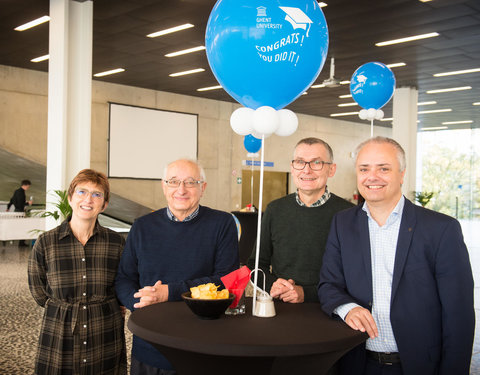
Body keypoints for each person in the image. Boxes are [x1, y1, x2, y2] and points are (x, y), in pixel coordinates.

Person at [318, 136, 474, 375]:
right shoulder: (342, 223)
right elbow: (329, 284)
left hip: (418, 366)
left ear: (401, 174)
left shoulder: (441, 229)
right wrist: (347, 308)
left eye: (384, 168)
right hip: (357, 363)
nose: (372, 176)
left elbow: (458, 315)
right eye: (364, 169)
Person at [115, 159, 239, 375]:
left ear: (203, 188)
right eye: (173, 182)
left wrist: (168, 292)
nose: (181, 189)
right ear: (164, 186)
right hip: (149, 345)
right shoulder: (142, 226)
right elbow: (124, 278)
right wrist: (138, 301)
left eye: (190, 182)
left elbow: (225, 281)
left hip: (203, 346)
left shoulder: (222, 223)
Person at [28, 169, 127, 375]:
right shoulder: (46, 242)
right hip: (59, 328)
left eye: (96, 194)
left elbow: (123, 282)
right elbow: (37, 289)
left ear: (104, 204)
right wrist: (61, 309)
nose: (88, 200)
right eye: (82, 192)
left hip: (104, 327)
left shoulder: (116, 243)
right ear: (70, 198)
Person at [247, 137, 353, 303]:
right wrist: (273, 285)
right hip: (281, 308)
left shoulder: (349, 214)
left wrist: (307, 293)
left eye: (316, 163)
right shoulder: (275, 210)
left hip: (329, 309)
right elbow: (255, 264)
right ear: (292, 168)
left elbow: (354, 276)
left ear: (331, 170)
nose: (307, 170)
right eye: (300, 162)